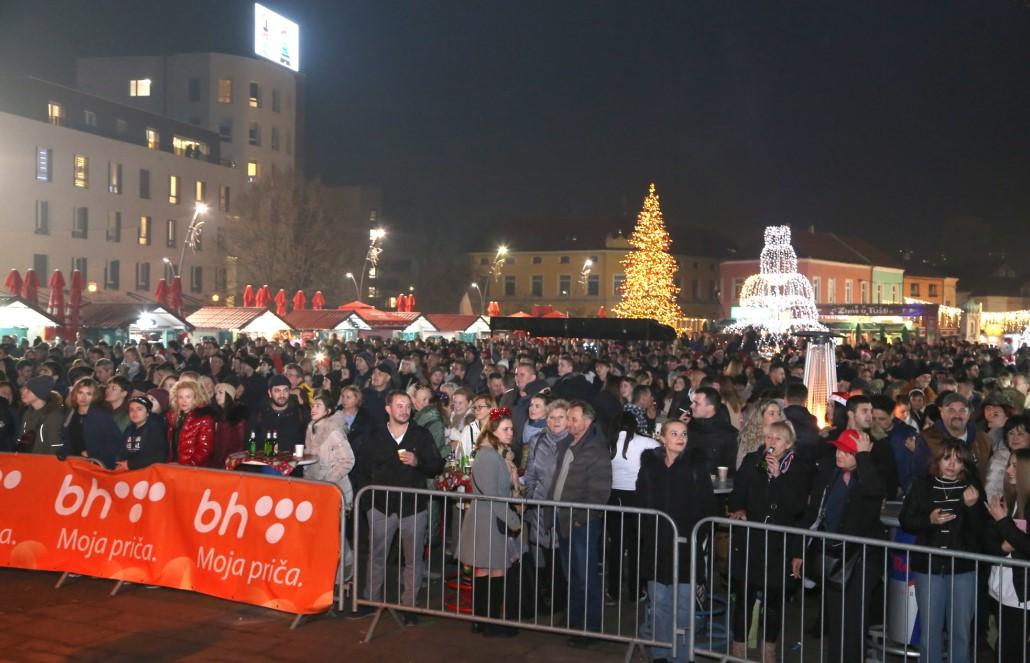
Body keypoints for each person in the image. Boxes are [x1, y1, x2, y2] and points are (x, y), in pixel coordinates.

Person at [791, 429, 885, 663]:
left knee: (854, 619)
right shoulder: (830, 474)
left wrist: (864, 457)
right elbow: (814, 514)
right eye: (839, 449)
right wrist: (799, 549)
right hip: (834, 556)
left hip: (861, 559)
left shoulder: (868, 477)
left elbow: (874, 493)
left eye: (847, 451)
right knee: (836, 618)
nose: (839, 454)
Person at [351, 391, 444, 623]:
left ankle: (409, 606)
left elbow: (436, 464)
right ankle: (370, 600)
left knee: (413, 559)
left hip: (413, 507)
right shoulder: (375, 436)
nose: (404, 410)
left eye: (407, 406)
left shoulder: (420, 435)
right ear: (388, 409)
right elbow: (360, 469)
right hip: (381, 506)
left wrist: (418, 461)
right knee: (376, 555)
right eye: (399, 406)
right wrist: (369, 504)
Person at [636, 419, 719, 663]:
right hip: (656, 543)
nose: (680, 438)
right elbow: (641, 500)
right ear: (662, 437)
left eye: (683, 433)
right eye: (674, 433)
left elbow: (708, 505)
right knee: (659, 602)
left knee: (684, 604)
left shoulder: (696, 467)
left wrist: (696, 536)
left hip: (685, 544)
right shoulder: (650, 466)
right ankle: (661, 652)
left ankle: (682, 655)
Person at [899, 439, 987, 663]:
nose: (951, 464)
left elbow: (982, 532)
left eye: (958, 460)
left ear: (965, 465)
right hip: (928, 565)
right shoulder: (922, 484)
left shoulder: (973, 488)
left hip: (963, 567)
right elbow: (906, 520)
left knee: (961, 631)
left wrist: (972, 507)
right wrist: (929, 520)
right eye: (947, 458)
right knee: (930, 629)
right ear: (937, 460)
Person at [727, 420, 809, 661]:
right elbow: (737, 492)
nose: (771, 442)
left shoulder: (798, 468)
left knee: (774, 601)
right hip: (751, 539)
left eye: (778, 439)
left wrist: (779, 477)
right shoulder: (753, 461)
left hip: (779, 543)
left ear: (789, 444)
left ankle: (768, 649)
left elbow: (798, 508)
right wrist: (738, 508)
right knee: (744, 596)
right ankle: (738, 648)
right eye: (769, 437)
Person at [547, 400, 611, 646]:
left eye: (574, 419)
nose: (570, 423)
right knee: (571, 574)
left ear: (587, 421)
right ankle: (574, 617)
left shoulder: (595, 449)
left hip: (581, 522)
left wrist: (580, 519)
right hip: (565, 517)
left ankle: (590, 628)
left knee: (586, 576)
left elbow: (599, 492)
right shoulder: (568, 444)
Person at [457, 408, 522, 637]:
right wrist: (515, 521)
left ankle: (484, 620)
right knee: (491, 570)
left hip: (489, 519)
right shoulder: (489, 456)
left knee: (489, 570)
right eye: (505, 429)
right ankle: (488, 621)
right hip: (488, 521)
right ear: (493, 431)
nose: (510, 433)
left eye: (511, 429)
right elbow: (493, 496)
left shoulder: (494, 454)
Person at [521, 398, 570, 613]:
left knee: (563, 557)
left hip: (564, 509)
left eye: (561, 417)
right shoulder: (538, 441)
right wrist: (531, 497)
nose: (556, 421)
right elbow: (530, 473)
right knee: (545, 554)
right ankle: (551, 597)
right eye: (552, 417)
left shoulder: (573, 442)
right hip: (540, 507)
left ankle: (564, 601)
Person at [607, 411, 660, 601]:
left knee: (616, 547)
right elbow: (661, 452)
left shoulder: (609, 442)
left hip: (614, 497)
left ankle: (613, 590)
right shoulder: (646, 443)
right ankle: (636, 591)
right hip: (638, 497)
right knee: (637, 545)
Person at [985, 448, 1030, 661]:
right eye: (1009, 465)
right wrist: (1002, 546)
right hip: (1000, 588)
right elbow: (989, 542)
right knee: (1003, 645)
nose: (1009, 470)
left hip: (1022, 594)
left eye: (1015, 466)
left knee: (1014, 649)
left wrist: (1003, 522)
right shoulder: (1009, 500)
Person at [919, 392, 992, 484]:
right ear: (941, 412)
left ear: (969, 413)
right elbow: (919, 474)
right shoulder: (927, 438)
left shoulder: (983, 439)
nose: (957, 415)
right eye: (951, 410)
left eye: (962, 410)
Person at [304, 390, 355, 508]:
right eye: (312, 406)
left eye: (318, 406)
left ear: (328, 411)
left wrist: (327, 481)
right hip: (316, 488)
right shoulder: (312, 428)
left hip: (334, 491)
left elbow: (348, 461)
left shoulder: (333, 431)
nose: (313, 409)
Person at [59, 377, 122, 469]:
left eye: (88, 394)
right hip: (74, 463)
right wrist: (63, 452)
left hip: (97, 465)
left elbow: (115, 440)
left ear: (94, 396)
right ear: (75, 394)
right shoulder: (72, 413)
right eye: (80, 392)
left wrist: (94, 454)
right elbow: (67, 439)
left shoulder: (100, 414)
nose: (83, 397)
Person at [686, 386, 739, 475]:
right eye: (692, 402)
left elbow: (732, 467)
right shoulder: (688, 427)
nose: (691, 406)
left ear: (710, 408)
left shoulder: (729, 434)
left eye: (696, 403)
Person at [248, 374, 309, 450]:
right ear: (270, 393)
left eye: (285, 390)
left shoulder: (300, 413)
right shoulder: (259, 414)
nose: (282, 395)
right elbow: (250, 444)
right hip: (265, 460)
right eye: (277, 391)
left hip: (293, 460)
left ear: (290, 392)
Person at [166, 380, 215, 466]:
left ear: (196, 398)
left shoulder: (204, 419)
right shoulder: (173, 417)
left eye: (188, 397)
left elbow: (205, 449)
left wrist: (187, 465)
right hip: (174, 465)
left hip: (193, 469)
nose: (184, 401)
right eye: (180, 397)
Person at [985, 414, 1030, 500]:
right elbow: (990, 490)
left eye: (1020, 434)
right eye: (1011, 433)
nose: (1015, 438)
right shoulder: (999, 459)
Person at [116, 396, 168, 470]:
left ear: (147, 413)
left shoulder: (155, 429)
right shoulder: (129, 429)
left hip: (147, 474)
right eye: (131, 410)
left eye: (139, 409)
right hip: (128, 471)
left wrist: (130, 464)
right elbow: (122, 451)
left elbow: (158, 457)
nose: (135, 413)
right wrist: (120, 463)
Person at [19, 375, 65, 454]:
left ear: (39, 393)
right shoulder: (27, 413)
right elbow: (21, 438)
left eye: (28, 391)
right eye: (24, 389)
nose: (23, 392)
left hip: (44, 463)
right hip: (26, 460)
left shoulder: (54, 416)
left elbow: (55, 446)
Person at [734, 399, 783, 469]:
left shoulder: (783, 438)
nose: (777, 418)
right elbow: (742, 467)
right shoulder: (750, 439)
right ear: (761, 417)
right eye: (772, 414)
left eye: (779, 414)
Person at [210, 382, 247, 469]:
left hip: (231, 463)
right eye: (216, 394)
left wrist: (231, 462)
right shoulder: (218, 415)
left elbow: (240, 443)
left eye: (221, 393)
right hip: (218, 462)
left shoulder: (237, 416)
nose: (217, 396)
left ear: (229, 395)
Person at [338, 385, 372, 455]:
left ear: (357, 399)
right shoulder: (336, 413)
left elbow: (366, 439)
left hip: (358, 455)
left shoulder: (365, 417)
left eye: (348, 397)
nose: (344, 400)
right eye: (343, 397)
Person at [458, 394, 494, 459]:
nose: (476, 410)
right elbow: (460, 454)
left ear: (490, 409)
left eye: (480, 407)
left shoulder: (497, 428)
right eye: (475, 407)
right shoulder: (468, 429)